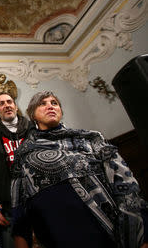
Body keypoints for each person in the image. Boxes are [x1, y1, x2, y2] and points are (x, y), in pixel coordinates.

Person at [11, 91, 148, 248]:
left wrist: (143, 237)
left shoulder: (91, 139)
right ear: (33, 115)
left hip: (108, 231)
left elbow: (126, 184)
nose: (50, 106)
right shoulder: (23, 155)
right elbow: (20, 212)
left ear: (61, 111)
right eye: (42, 103)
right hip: (60, 235)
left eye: (54, 103)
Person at [0, 92, 33, 248]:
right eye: (1, 103)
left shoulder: (34, 131)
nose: (6, 105)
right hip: (8, 207)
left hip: (38, 202)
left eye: (9, 101)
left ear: (15, 106)